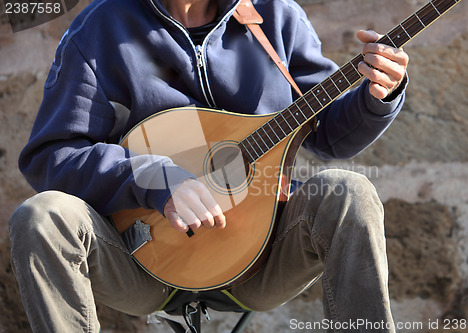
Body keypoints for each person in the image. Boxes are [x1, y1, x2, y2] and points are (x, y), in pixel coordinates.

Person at [8, 0, 409, 331]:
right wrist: (156, 179)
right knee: (41, 216)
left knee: (351, 193)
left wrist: (378, 96)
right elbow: (52, 156)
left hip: (261, 256)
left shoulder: (275, 16)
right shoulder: (100, 28)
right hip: (143, 256)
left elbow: (329, 134)